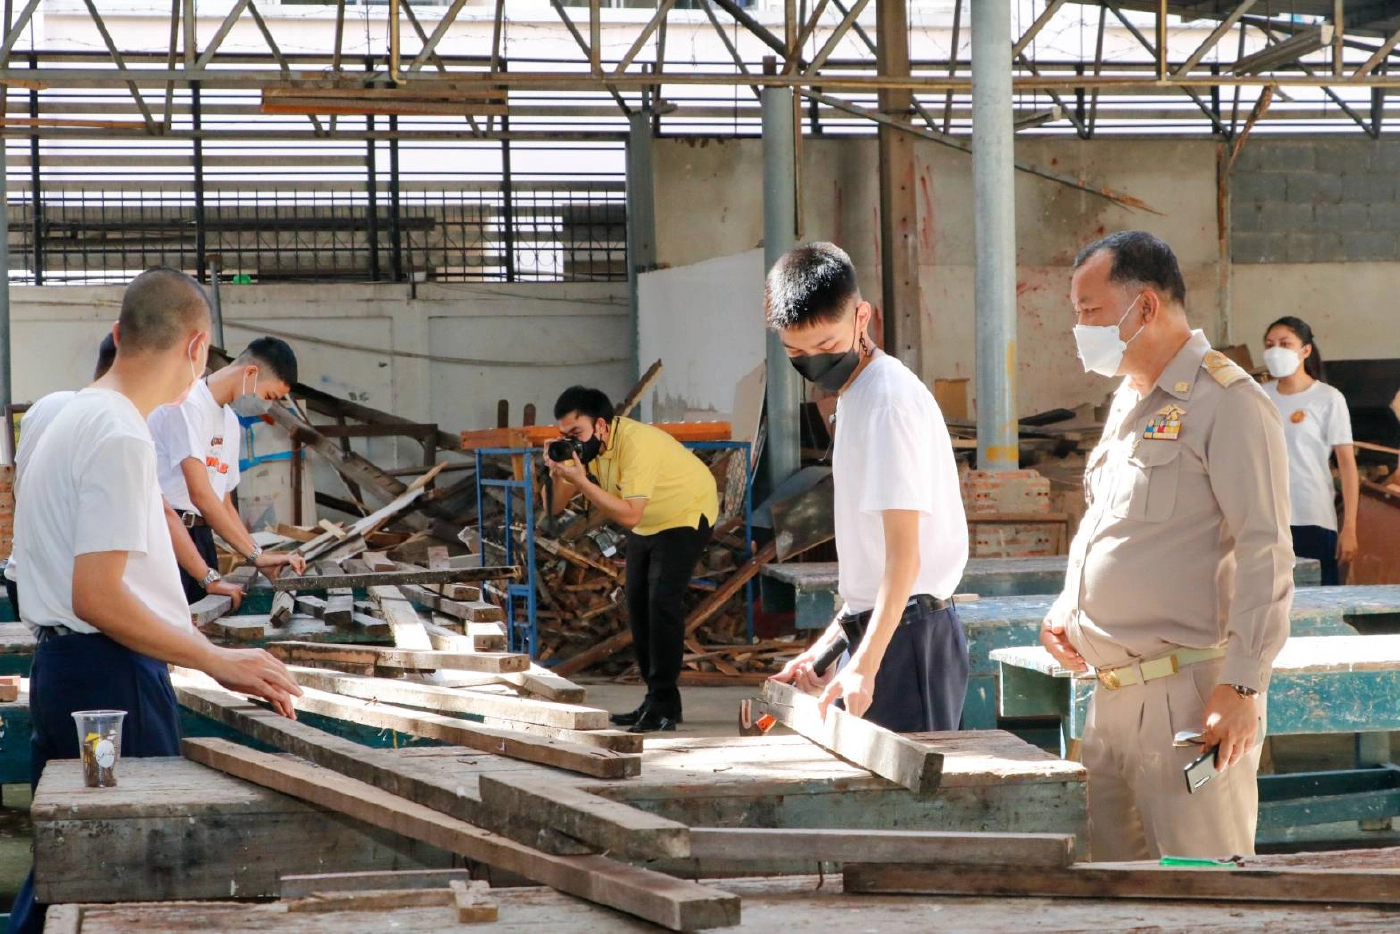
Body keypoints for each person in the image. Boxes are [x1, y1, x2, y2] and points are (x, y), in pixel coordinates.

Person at [6, 268, 302, 934]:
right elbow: (101, 596)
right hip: (111, 678)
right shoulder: (121, 436)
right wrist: (215, 659)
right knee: (133, 872)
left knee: (69, 866)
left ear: (119, 334)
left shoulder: (60, 413)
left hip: (63, 673)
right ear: (199, 349)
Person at [1040, 231, 1292, 861]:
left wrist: (1242, 687)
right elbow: (1108, 522)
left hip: (1189, 699)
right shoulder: (1129, 399)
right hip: (1111, 697)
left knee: (1198, 892)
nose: (1080, 328)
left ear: (1145, 307)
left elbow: (1266, 551)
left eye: (1090, 312)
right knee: (1113, 896)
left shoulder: (1229, 402)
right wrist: (1068, 607)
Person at [766, 242, 970, 732]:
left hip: (909, 636)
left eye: (826, 346)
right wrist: (826, 651)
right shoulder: (855, 395)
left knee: (909, 802)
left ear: (862, 317)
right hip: (880, 628)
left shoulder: (886, 403)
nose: (813, 362)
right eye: (796, 351)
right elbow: (869, 570)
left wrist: (867, 663)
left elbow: (905, 559)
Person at [4, 335, 245, 620]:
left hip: (23, 578)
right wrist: (208, 579)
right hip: (72, 592)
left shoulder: (46, 407)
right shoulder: (121, 428)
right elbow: (164, 513)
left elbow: (22, 491)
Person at [545, 386, 718, 733]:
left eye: (576, 434)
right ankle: (657, 700)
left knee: (661, 602)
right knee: (637, 605)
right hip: (651, 519)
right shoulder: (591, 449)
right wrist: (557, 469)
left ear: (602, 426)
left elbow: (629, 517)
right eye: (565, 436)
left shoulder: (637, 445)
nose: (573, 441)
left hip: (686, 511)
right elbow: (553, 508)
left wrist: (581, 479)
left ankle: (664, 704)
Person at [147, 336, 305, 603]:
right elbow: (201, 494)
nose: (266, 406)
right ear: (251, 373)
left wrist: (257, 557)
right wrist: (256, 555)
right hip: (167, 537)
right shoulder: (185, 404)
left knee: (201, 625)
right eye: (268, 396)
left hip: (201, 537)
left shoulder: (230, 422)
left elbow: (223, 504)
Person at [1261, 317, 1358, 586]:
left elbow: (1348, 466)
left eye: (1285, 344)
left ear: (1305, 351)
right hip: (1267, 519)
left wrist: (1349, 526)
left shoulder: (1328, 398)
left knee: (1317, 599)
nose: (1275, 350)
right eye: (1269, 345)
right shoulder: (1258, 396)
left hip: (1312, 514)